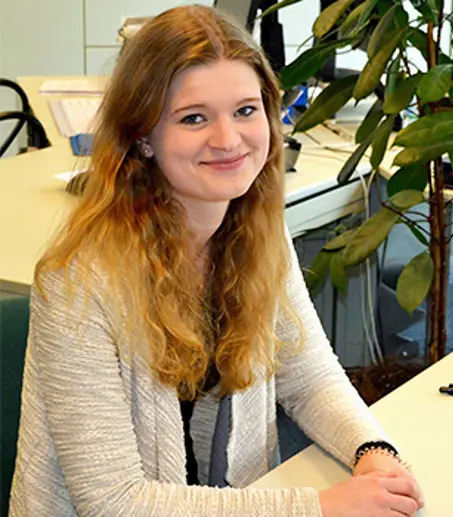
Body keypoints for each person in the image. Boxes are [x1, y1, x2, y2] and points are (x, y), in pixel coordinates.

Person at [9, 5, 423, 516]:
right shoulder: (77, 280)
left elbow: (307, 374)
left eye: (246, 110)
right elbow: (113, 502)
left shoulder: (258, 232)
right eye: (194, 118)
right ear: (143, 138)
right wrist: (318, 508)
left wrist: (373, 451)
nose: (228, 140)